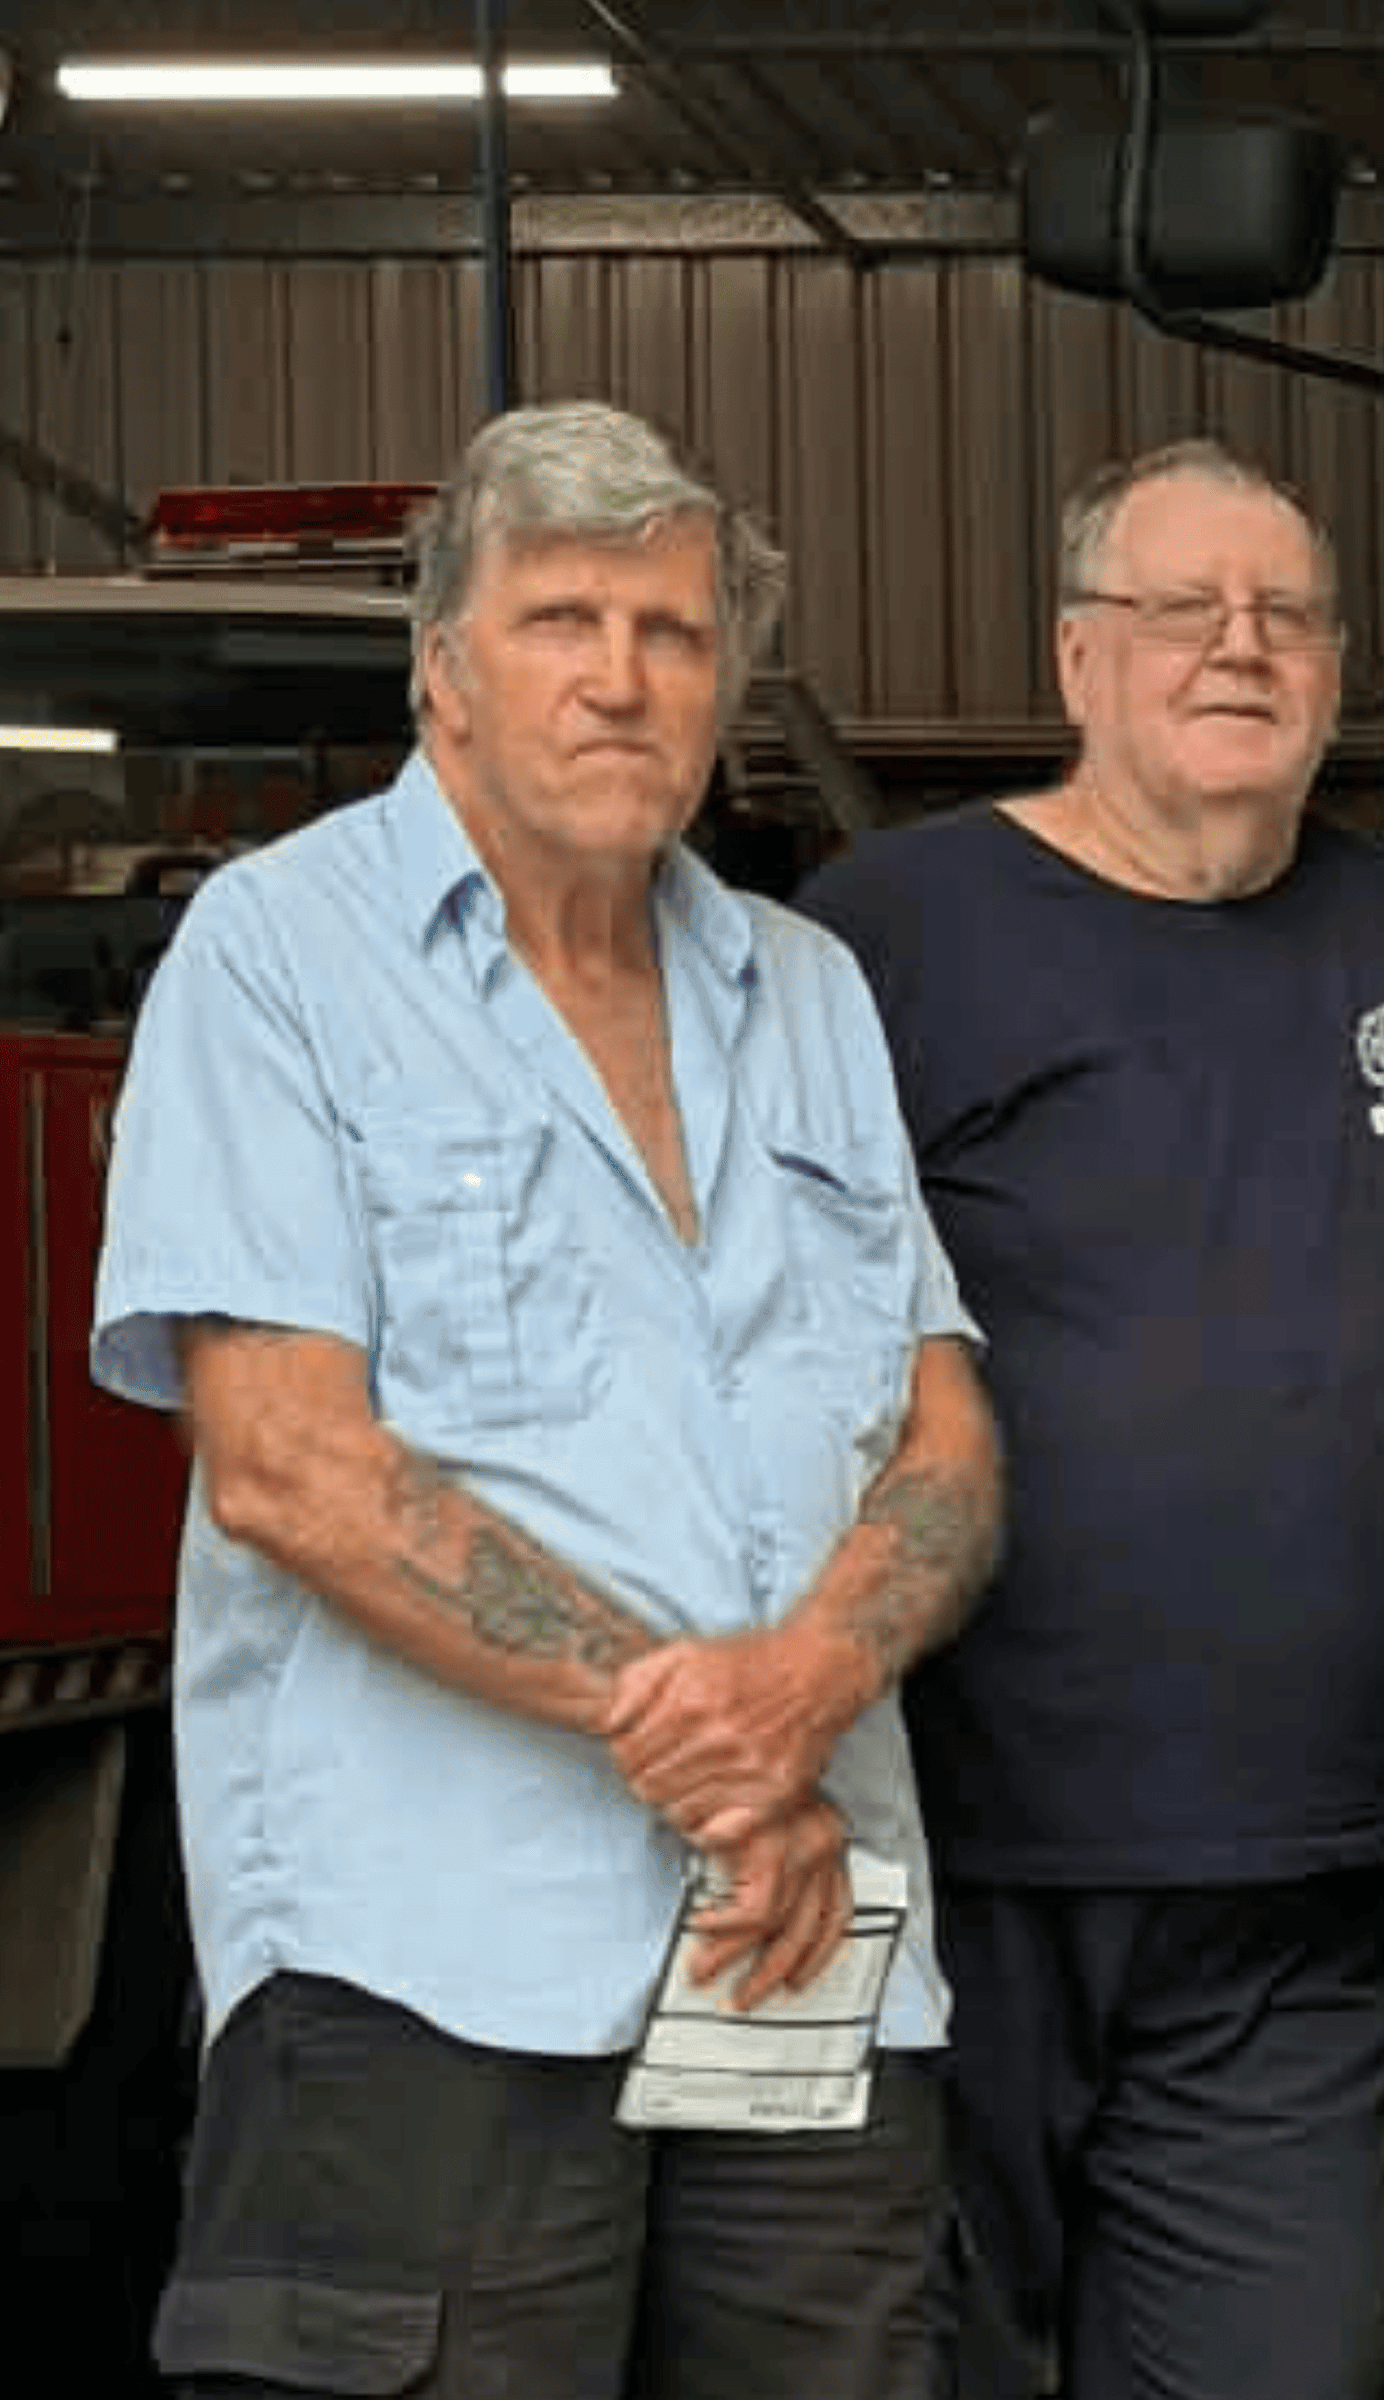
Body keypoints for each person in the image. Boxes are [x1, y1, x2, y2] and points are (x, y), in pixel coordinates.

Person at [90, 398, 999, 2396]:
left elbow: (944, 1433)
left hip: (802, 1971)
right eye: (559, 619)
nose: (617, 676)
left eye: (672, 634)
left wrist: (807, 1690)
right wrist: (707, 1743)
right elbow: (288, 1466)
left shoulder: (805, 989)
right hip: (434, 1971)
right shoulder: (280, 955)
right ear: (444, 670)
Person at [792, 440, 1384, 2400]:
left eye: (1289, 615)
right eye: (1182, 610)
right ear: (1079, 659)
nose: (1241, 648)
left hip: (1301, 1880)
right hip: (934, 1866)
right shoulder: (883, 936)